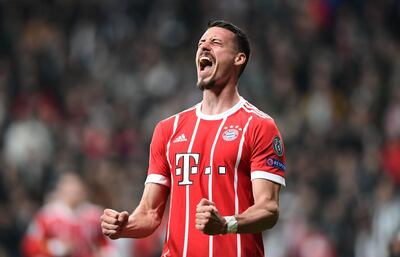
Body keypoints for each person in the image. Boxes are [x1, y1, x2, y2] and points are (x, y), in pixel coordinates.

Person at [101, 20, 286, 257]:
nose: (204, 47)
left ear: (239, 59)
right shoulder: (168, 129)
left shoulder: (259, 126)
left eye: (215, 42)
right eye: (201, 43)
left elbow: (269, 209)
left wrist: (226, 225)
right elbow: (149, 213)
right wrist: (125, 227)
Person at [22, 172, 117, 257]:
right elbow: (31, 244)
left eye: (76, 186)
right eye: (69, 186)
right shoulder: (47, 216)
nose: (73, 190)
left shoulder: (96, 215)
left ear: (83, 190)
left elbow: (109, 244)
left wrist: (104, 253)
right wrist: (56, 248)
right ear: (60, 190)